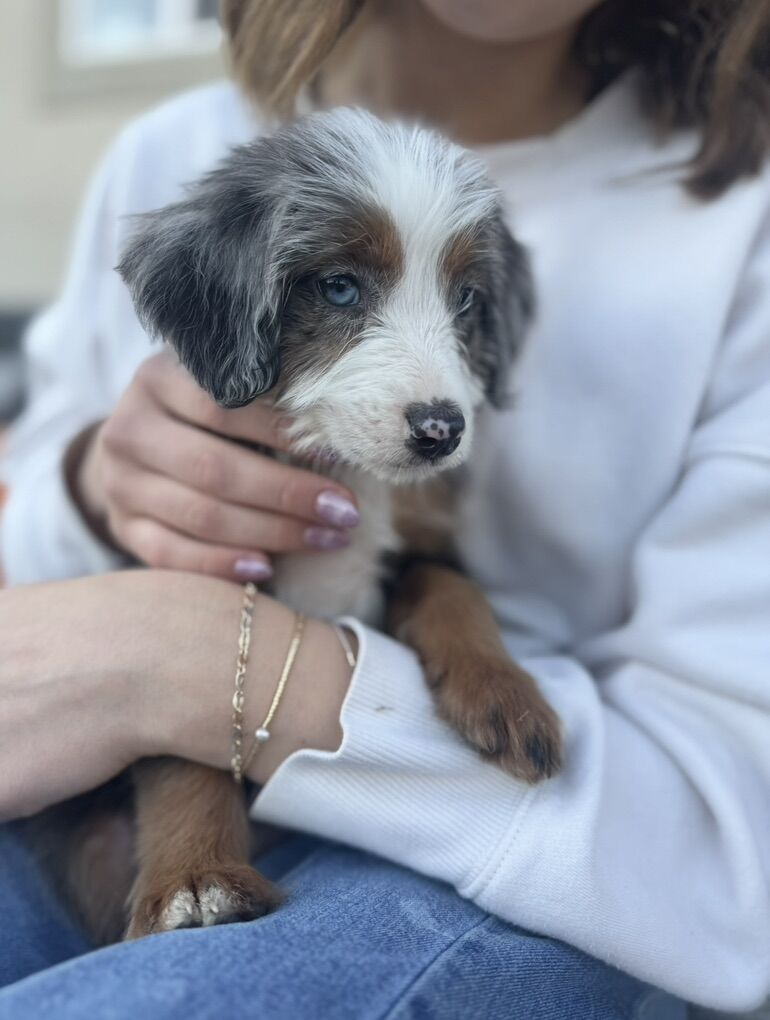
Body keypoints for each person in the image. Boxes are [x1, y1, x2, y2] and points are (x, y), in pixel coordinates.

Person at [1, 0, 769, 1015]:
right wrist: (97, 487)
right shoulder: (172, 153)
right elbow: (35, 602)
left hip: (526, 875)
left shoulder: (735, 225)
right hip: (90, 803)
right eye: (342, 290)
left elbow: (727, 859)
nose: (439, 376)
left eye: (462, 305)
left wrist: (191, 661)